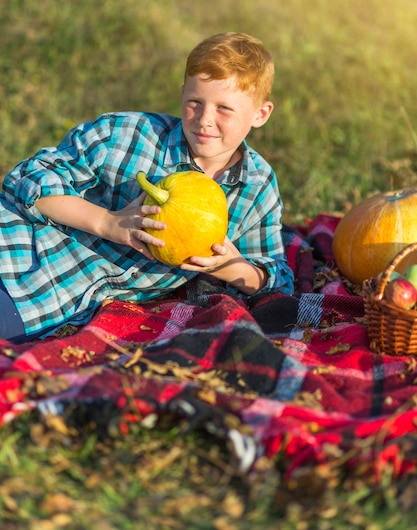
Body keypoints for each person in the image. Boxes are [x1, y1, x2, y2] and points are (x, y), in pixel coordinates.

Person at [0, 32, 294, 343]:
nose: (205, 119)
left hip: (48, 295)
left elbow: (275, 277)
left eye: (224, 109)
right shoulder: (126, 134)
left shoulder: (256, 188)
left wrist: (230, 267)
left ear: (260, 114)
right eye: (195, 102)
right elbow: (27, 179)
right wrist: (106, 222)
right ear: (182, 94)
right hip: (16, 243)